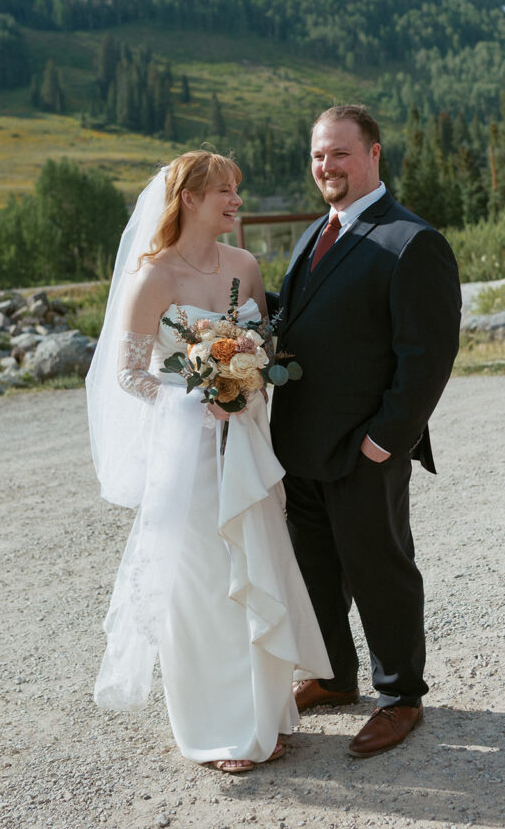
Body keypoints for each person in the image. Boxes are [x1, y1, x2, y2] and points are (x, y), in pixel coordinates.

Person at [86, 150, 331, 774]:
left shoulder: (244, 267)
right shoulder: (153, 278)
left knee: (257, 568)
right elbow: (129, 376)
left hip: (245, 447)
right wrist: (197, 390)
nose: (235, 200)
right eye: (223, 189)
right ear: (188, 198)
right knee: (203, 586)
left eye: (237, 189)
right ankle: (220, 729)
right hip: (187, 456)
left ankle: (267, 718)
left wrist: (246, 382)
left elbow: (262, 346)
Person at [270, 105, 461, 758]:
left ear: (373, 155)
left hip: (363, 449)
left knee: (380, 570)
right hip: (297, 445)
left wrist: (384, 441)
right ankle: (332, 676)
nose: (326, 166)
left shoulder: (411, 241)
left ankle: (399, 697)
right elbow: (304, 321)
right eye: (319, 154)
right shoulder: (311, 235)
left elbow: (427, 357)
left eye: (340, 154)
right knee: (314, 571)